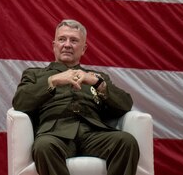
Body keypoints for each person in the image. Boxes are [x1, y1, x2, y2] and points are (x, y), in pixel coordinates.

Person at [12, 19, 139, 175]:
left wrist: (98, 83)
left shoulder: (96, 77)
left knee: (126, 142)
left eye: (74, 40)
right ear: (54, 45)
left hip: (94, 134)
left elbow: (125, 104)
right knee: (43, 146)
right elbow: (20, 103)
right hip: (56, 135)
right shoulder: (35, 74)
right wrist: (52, 81)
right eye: (62, 39)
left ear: (83, 49)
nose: (67, 44)